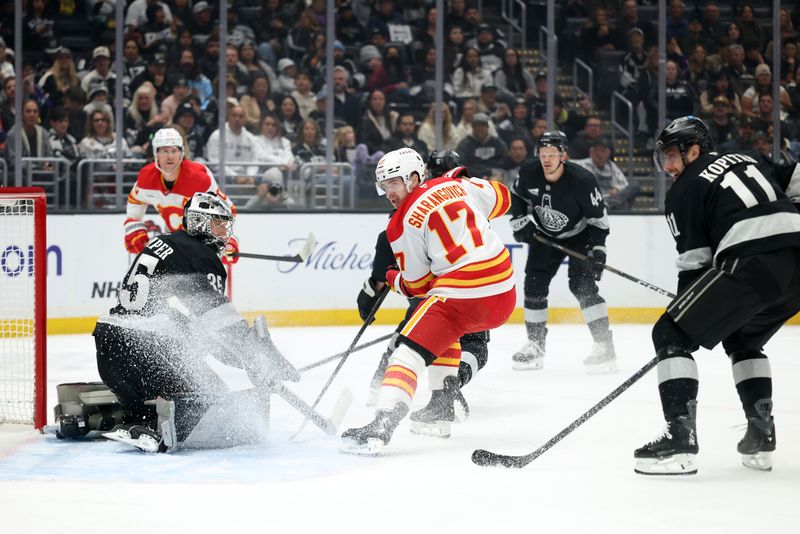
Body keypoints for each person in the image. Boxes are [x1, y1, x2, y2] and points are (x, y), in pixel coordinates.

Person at [633, 116, 800, 475]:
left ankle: (679, 441)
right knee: (744, 338)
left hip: (752, 263)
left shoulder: (684, 189)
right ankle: (760, 437)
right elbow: (797, 172)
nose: (668, 166)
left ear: (694, 150)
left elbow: (696, 265)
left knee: (669, 333)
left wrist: (682, 320)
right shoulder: (750, 157)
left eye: (672, 156)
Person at [340, 147, 515, 455]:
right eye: (384, 185)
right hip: (504, 290)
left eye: (394, 183)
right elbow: (504, 198)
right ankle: (441, 406)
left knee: (407, 351)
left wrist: (392, 279)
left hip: (463, 291)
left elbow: (418, 286)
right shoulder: (458, 184)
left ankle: (382, 424)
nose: (389, 192)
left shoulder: (401, 223)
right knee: (445, 330)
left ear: (414, 177)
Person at [94, 191, 295, 453]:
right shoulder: (201, 255)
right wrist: (257, 356)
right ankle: (153, 429)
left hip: (108, 345)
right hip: (141, 349)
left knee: (156, 403)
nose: (225, 231)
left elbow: (192, 328)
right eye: (219, 223)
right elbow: (221, 324)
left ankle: (137, 421)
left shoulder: (165, 242)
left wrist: (243, 359)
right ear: (201, 222)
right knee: (211, 397)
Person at [509, 131, 616, 373]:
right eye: (542, 154)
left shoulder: (583, 181)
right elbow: (516, 195)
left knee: (582, 286)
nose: (546, 159)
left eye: (552, 154)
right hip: (546, 237)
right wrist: (518, 219)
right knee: (534, 283)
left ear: (563, 156)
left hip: (581, 236)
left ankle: (604, 347)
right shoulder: (529, 172)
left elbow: (599, 219)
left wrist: (598, 250)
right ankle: (535, 346)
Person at [125, 127, 239, 266]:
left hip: (201, 245)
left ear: (181, 153)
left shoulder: (198, 178)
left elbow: (228, 210)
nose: (170, 156)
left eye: (174, 150)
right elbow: (135, 202)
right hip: (174, 243)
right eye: (165, 151)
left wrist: (226, 240)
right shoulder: (146, 177)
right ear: (156, 154)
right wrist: (133, 227)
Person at [573, 139, 640, 211]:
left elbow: (624, 183)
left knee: (634, 184)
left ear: (608, 153)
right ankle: (608, 204)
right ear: (591, 152)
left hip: (610, 198)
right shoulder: (582, 165)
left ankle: (609, 204)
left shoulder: (611, 166)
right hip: (591, 200)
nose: (599, 153)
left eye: (602, 150)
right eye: (596, 150)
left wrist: (617, 189)